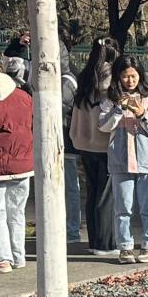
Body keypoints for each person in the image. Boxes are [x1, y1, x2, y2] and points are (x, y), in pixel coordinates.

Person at [99, 55, 148, 264]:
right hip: (120, 160)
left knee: (147, 206)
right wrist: (118, 109)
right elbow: (103, 126)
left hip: (146, 160)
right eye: (126, 76)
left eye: (134, 76)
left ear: (140, 76)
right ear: (118, 77)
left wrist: (142, 114)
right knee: (123, 208)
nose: (130, 81)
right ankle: (125, 247)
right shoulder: (110, 101)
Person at [69, 38, 121, 256]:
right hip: (105, 144)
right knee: (106, 195)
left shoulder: (85, 76)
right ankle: (105, 243)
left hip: (84, 142)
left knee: (92, 192)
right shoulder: (112, 78)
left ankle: (93, 240)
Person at [0, 53, 33, 272]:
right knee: (16, 212)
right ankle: (17, 256)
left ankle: (1, 259)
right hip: (22, 163)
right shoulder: (23, 96)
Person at [61, 51, 81, 243]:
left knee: (70, 187)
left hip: (67, 141)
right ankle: (70, 228)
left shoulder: (66, 81)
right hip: (69, 139)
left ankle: (72, 230)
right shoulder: (70, 76)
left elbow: (60, 107)